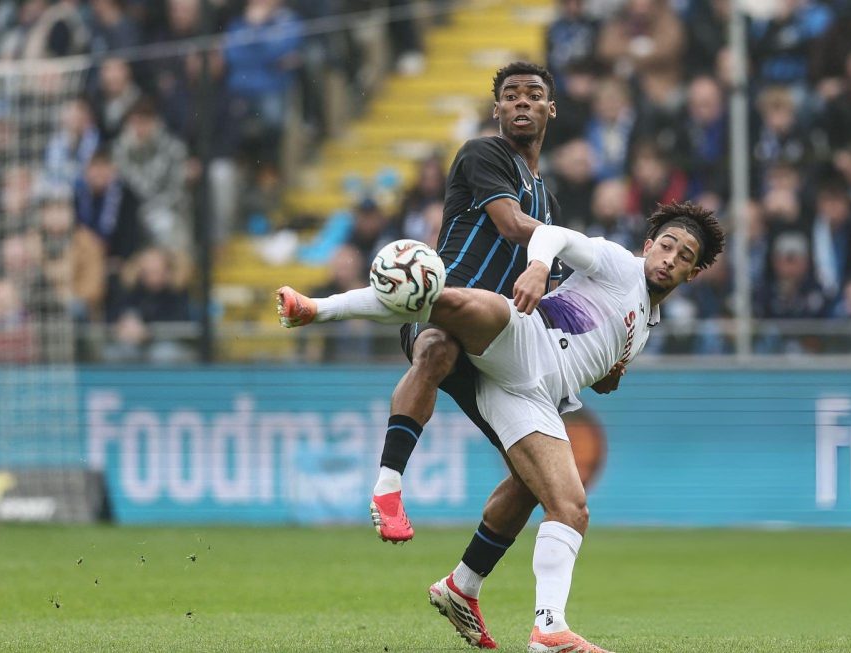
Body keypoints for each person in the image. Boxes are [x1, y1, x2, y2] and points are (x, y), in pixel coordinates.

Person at [276, 201, 725, 652]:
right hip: (524, 337)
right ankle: (315, 307)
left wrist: (609, 368)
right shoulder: (616, 263)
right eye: (666, 246)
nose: (670, 259)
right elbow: (556, 236)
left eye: (684, 257)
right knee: (440, 299)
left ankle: (520, 615)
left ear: (692, 274)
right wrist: (538, 267)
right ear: (648, 246)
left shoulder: (647, 321)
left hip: (531, 398)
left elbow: (603, 337)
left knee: (569, 508)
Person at [366, 62, 563, 548]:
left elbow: (554, 297)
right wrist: (577, 245)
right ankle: (388, 486)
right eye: (511, 95)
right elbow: (512, 226)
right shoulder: (484, 154)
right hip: (444, 309)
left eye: (533, 94)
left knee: (533, 477)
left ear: (550, 109)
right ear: (496, 109)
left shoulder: (550, 204)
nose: (521, 102)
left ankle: (463, 587)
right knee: (438, 347)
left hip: (495, 345)